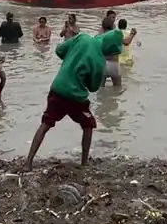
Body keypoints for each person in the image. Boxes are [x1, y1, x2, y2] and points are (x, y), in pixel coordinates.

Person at [23, 32, 111, 169]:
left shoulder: (81, 37)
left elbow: (59, 50)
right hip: (76, 98)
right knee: (88, 125)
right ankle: (84, 162)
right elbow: (93, 87)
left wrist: (70, 60)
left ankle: (28, 162)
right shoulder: (100, 59)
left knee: (45, 124)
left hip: (57, 90)